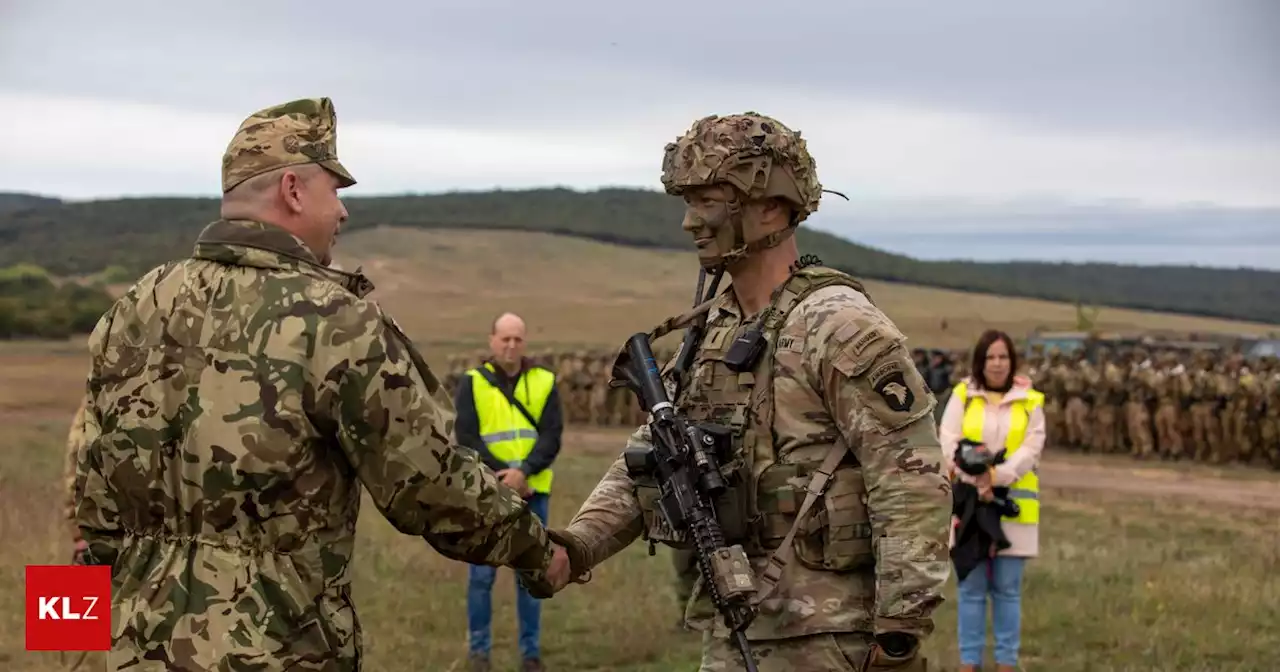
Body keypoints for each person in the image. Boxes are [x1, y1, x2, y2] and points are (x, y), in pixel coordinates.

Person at [69, 97, 570, 671]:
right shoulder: (334, 319)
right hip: (276, 649)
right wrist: (536, 548)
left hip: (133, 651)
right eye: (336, 191)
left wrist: (78, 645)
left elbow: (93, 499)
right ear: (293, 190)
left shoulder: (134, 306)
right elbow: (428, 484)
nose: (343, 212)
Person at [527, 112, 952, 671]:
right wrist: (578, 545)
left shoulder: (839, 325)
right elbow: (657, 451)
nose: (690, 222)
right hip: (737, 629)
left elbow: (910, 480)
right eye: (689, 202)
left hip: (833, 639)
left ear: (771, 206)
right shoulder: (715, 328)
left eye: (708, 201)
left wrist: (898, 635)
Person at [453, 312, 564, 672]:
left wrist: (524, 472)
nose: (511, 345)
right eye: (505, 338)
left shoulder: (545, 382)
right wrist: (502, 478)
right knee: (482, 577)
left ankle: (530, 654)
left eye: (517, 339)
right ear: (492, 341)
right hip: (487, 494)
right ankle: (479, 652)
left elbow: (552, 435)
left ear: (524, 342)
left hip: (534, 493)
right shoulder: (472, 383)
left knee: (533, 576)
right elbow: (467, 438)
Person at [937, 329, 1046, 672]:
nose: (997, 363)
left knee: (1007, 590)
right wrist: (976, 476)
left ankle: (1006, 663)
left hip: (1013, 509)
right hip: (969, 507)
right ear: (980, 362)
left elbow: (1032, 447)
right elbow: (948, 441)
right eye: (990, 357)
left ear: (1012, 361)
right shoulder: (963, 396)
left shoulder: (1031, 401)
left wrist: (997, 477)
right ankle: (969, 663)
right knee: (970, 588)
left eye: (1003, 357)